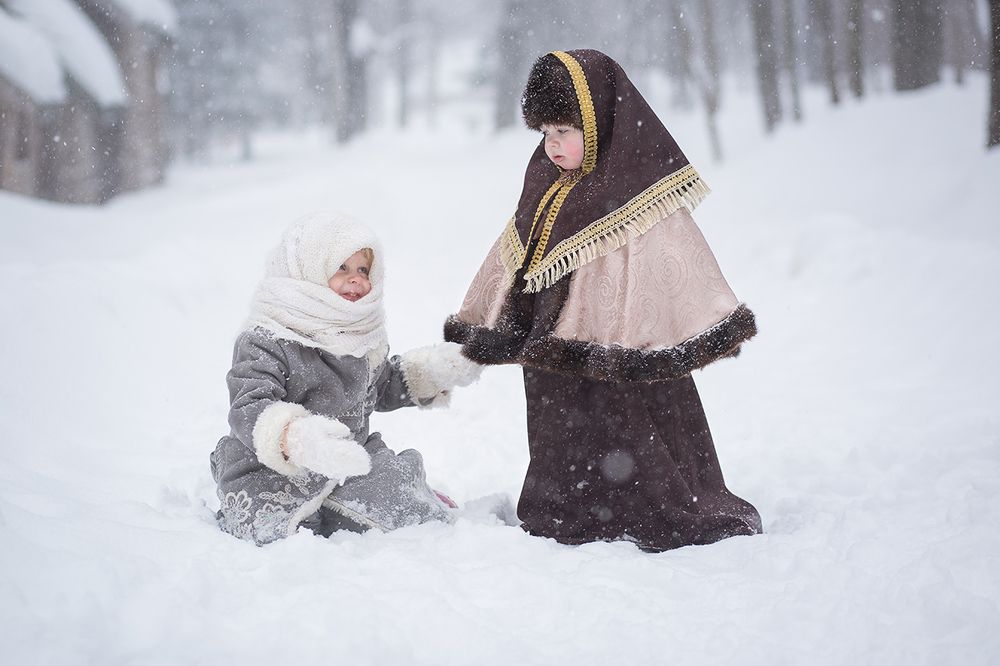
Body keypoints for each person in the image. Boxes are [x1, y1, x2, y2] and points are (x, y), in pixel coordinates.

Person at [444, 50, 762, 552]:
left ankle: (652, 508)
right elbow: (515, 255)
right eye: (545, 133)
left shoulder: (638, 191)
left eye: (565, 131)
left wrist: (636, 331)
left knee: (631, 421)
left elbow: (674, 266)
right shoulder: (545, 184)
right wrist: (497, 318)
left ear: (600, 121)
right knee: (562, 424)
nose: (553, 146)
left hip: (622, 341)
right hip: (554, 345)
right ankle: (568, 506)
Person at [211, 212, 480, 546]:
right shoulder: (267, 336)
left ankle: (382, 498)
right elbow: (249, 405)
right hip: (274, 466)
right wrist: (297, 440)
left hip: (348, 459)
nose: (356, 280)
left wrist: (430, 372)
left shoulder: (360, 333)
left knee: (396, 501)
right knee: (270, 527)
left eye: (363, 270)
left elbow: (378, 387)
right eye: (342, 268)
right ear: (309, 269)